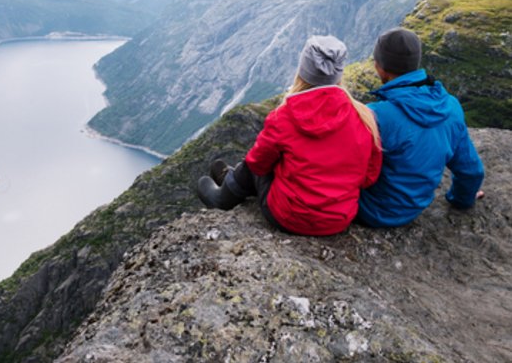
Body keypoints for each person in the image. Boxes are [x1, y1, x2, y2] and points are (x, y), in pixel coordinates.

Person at [197, 35, 382, 236]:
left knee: (255, 162)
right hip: (338, 220)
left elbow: (258, 164)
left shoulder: (284, 117)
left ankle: (224, 196)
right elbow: (369, 177)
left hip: (289, 218)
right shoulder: (363, 118)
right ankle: (230, 180)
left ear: (302, 73)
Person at [356, 27, 484, 227]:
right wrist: (462, 199)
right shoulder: (450, 107)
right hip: (414, 209)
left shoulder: (375, 115)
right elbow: (471, 171)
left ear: (379, 67)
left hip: (370, 210)